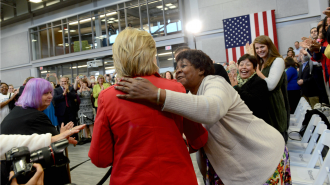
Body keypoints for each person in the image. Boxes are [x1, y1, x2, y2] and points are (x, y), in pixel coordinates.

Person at [115, 49, 290, 185]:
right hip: (232, 168)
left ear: (201, 69)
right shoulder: (192, 96)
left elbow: (211, 110)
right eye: (176, 68)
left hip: (262, 158)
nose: (177, 71)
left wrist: (158, 95)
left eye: (183, 66)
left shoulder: (215, 82)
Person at [89, 28, 208, 185]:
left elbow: (100, 158)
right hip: (177, 177)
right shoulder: (174, 88)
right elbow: (199, 138)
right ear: (151, 55)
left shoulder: (107, 97)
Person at [0, 78, 84, 185]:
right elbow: (56, 144)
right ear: (33, 95)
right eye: (45, 93)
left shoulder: (18, 111)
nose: (50, 96)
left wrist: (60, 135)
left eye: (50, 92)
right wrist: (61, 135)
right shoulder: (35, 116)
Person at [254, 35, 289, 141]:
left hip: (274, 103)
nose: (259, 50)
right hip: (265, 105)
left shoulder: (277, 60)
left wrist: (258, 73)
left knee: (277, 138)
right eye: (257, 48)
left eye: (262, 47)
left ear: (269, 46)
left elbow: (270, 85)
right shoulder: (261, 63)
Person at [229, 54, 270, 123]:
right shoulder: (235, 81)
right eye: (241, 65)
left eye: (248, 65)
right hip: (238, 121)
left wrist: (236, 88)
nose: (244, 67)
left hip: (254, 122)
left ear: (254, 68)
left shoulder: (259, 82)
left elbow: (254, 103)